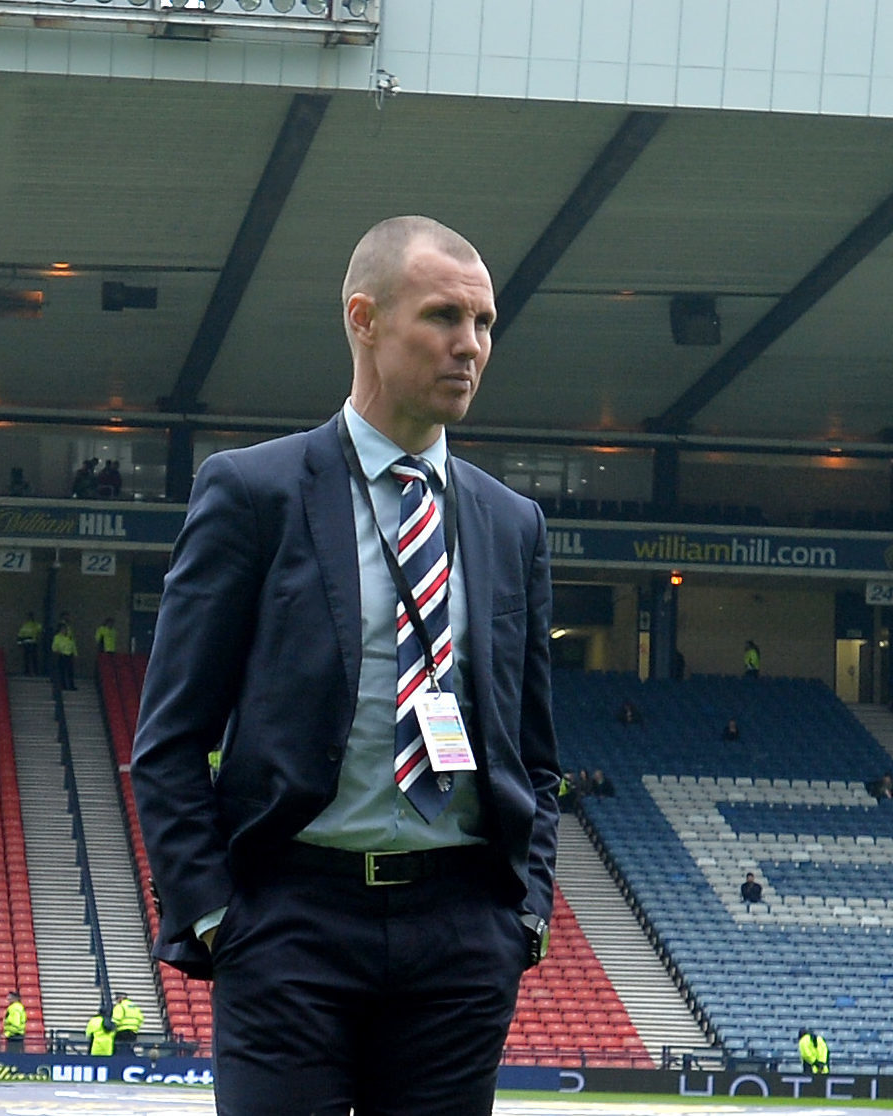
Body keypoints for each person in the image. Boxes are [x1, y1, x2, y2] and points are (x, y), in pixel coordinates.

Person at [132, 215, 561, 1116]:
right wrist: (220, 918)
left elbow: (534, 750)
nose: (471, 347)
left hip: (461, 936)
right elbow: (169, 742)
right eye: (444, 317)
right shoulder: (254, 493)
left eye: (484, 324)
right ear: (363, 318)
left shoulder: (510, 522)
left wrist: (521, 915)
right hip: (290, 926)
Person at [50, 622, 77, 691]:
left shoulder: (69, 637)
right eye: (63, 629)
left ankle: (71, 685)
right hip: (62, 655)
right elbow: (54, 647)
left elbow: (73, 645)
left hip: (69, 655)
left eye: (65, 629)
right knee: (62, 671)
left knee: (70, 672)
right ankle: (63, 685)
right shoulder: (57, 637)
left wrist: (75, 654)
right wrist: (57, 651)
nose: (64, 630)